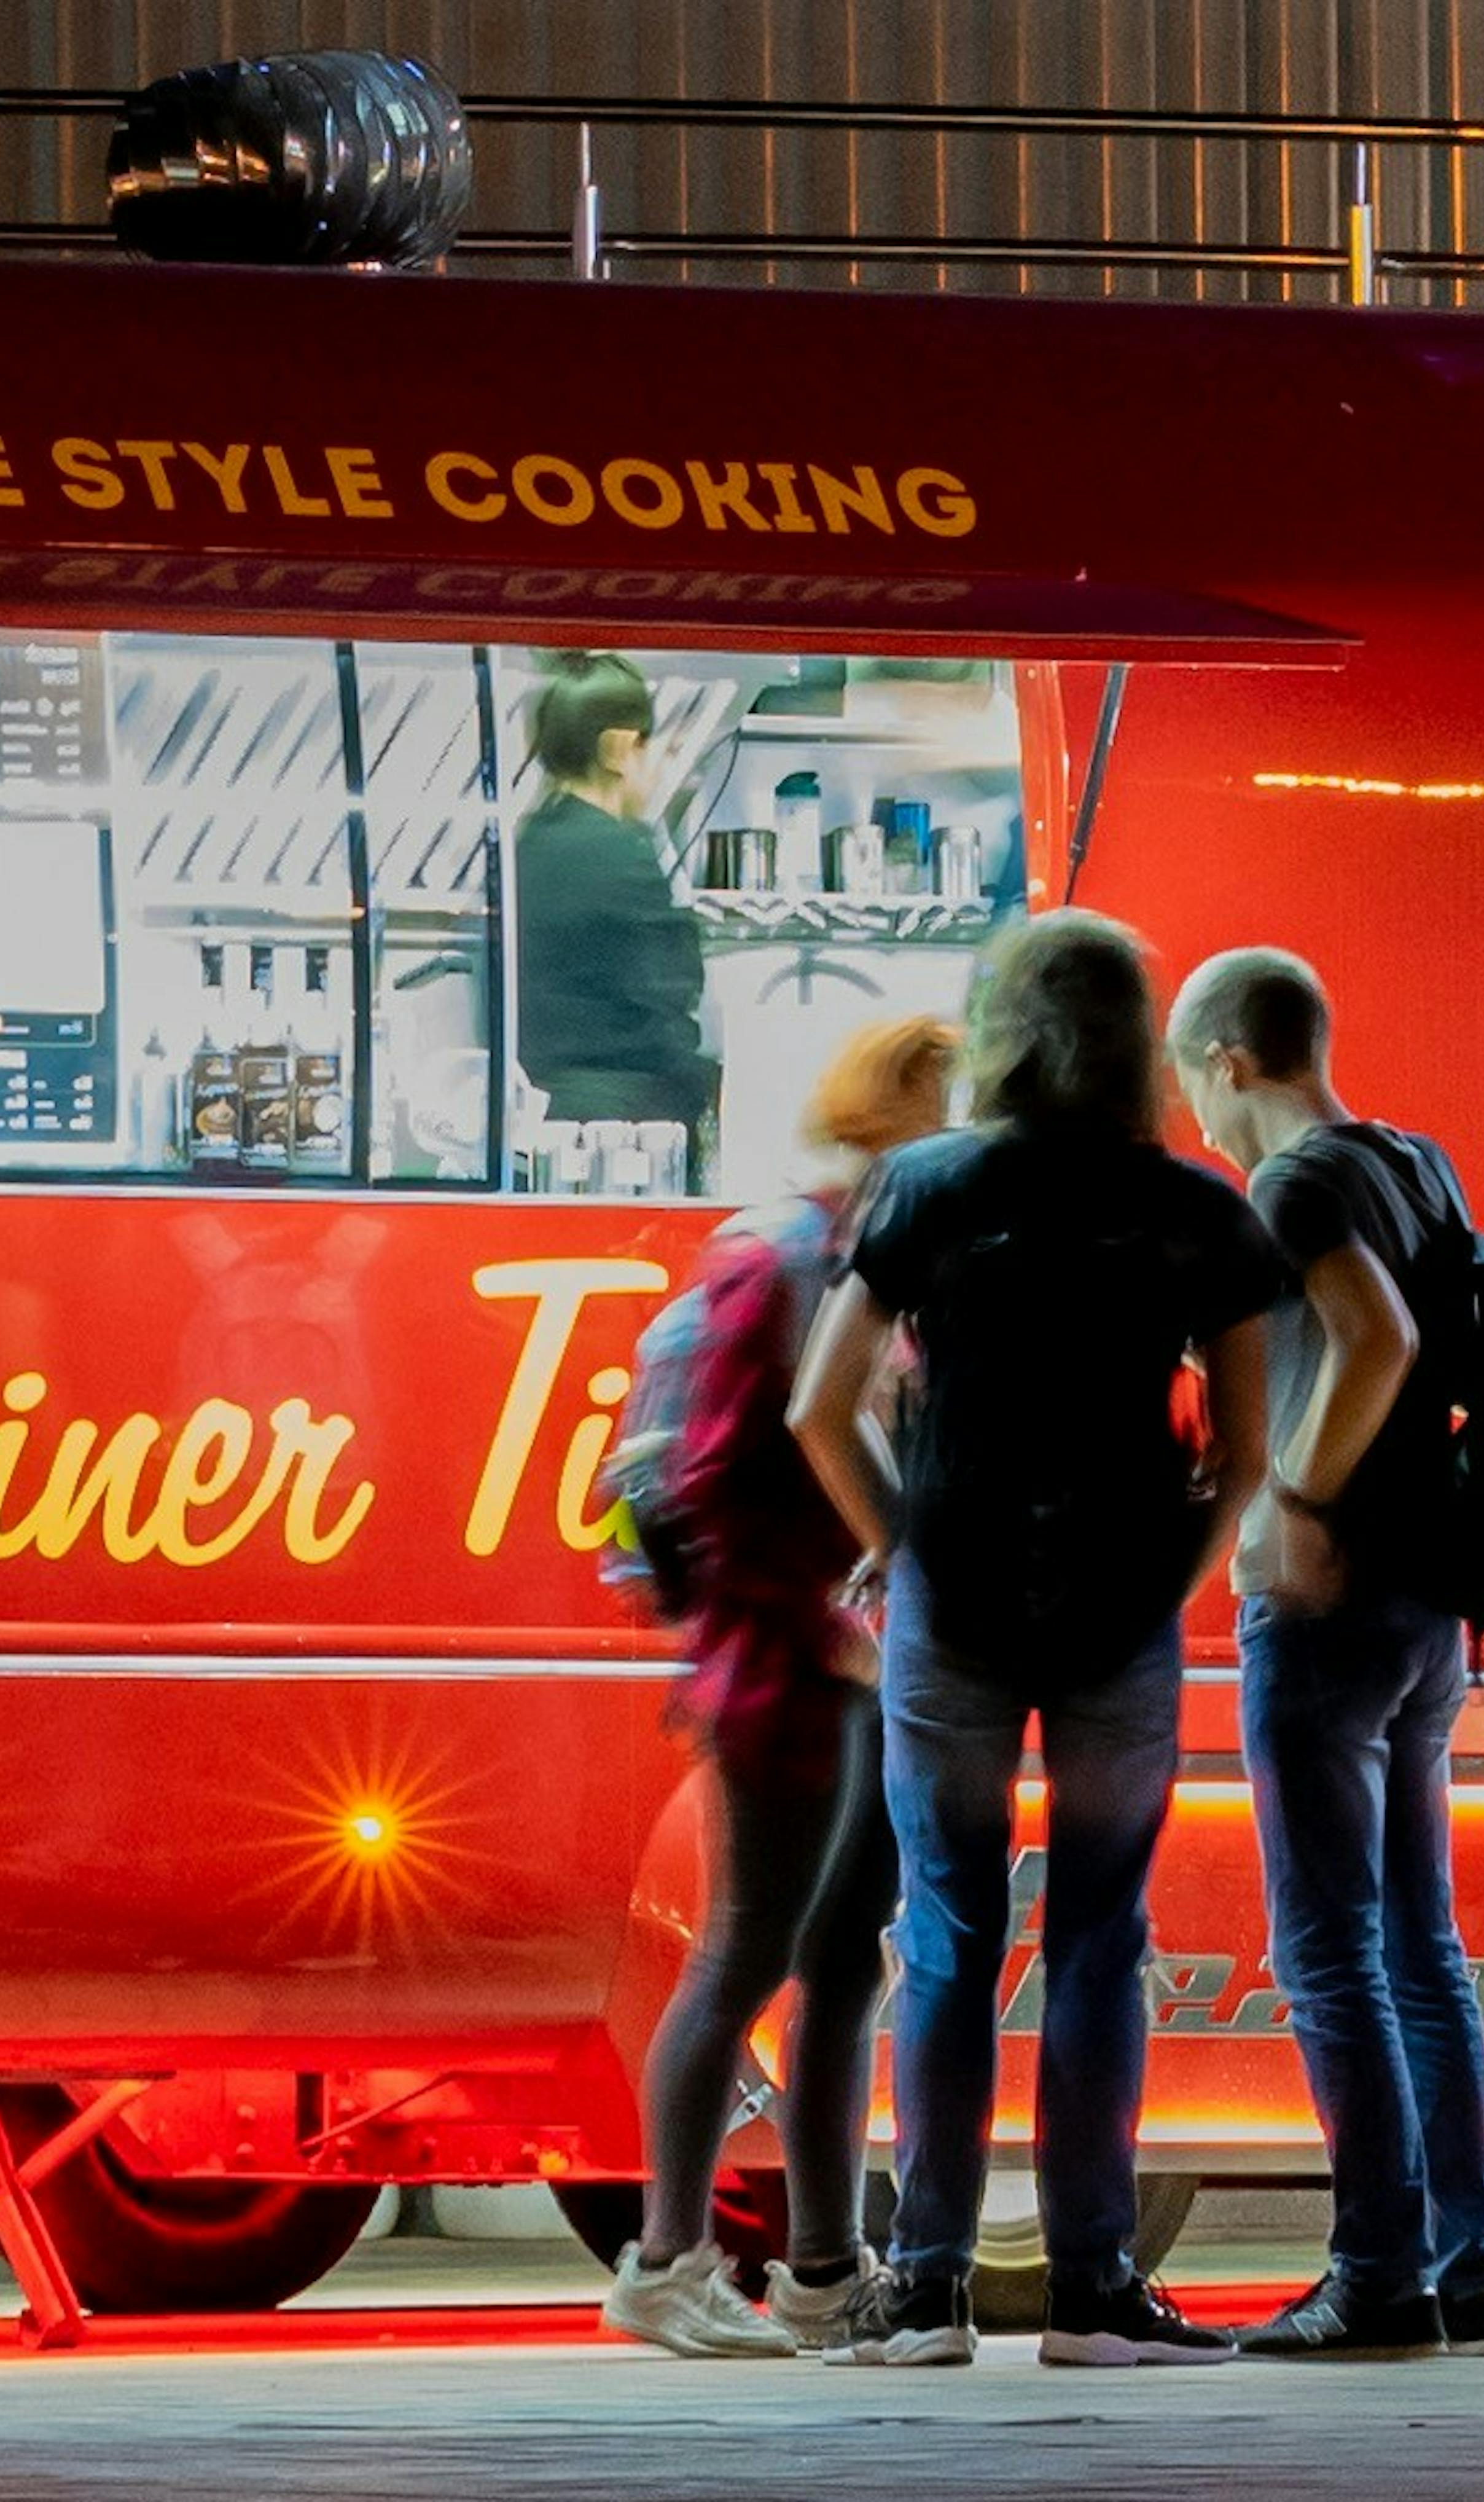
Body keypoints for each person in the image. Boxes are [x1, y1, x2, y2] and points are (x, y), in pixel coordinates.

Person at [788, 910, 1278, 2369]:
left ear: (994, 1030)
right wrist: (1174, 1572)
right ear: (1137, 1038)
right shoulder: (1196, 1207)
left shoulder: (924, 1183)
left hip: (955, 1601)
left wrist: (898, 1547)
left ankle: (927, 2285)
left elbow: (821, 1403)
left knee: (942, 1933)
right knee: (1097, 1940)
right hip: (1119, 1610)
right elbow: (1240, 1452)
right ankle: (1091, 2289)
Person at [1165, 946, 1484, 2361]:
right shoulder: (1412, 1160)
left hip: (1325, 1605)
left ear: (1231, 1061)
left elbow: (1367, 1338)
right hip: (1426, 1604)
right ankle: (1468, 2264)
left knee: (1325, 1951)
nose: (1192, 1111)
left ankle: (1375, 2270)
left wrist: (1293, 1498)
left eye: (1192, 1080)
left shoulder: (1292, 1181)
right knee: (1416, 1945)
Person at [600, 1016, 956, 2359]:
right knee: (743, 1951)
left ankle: (822, 2264)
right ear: (892, 1120)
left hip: (840, 1663)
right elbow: (718, 1485)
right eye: (943, 1109)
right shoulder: (788, 1260)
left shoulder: (855, 1258)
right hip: (784, 1670)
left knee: (841, 1964)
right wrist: (829, 1621)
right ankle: (666, 2259)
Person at [514, 652, 714, 1134]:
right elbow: (668, 997)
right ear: (618, 749)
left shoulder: (523, 847)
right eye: (653, 749)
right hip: (626, 1126)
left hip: (538, 1119)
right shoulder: (624, 851)